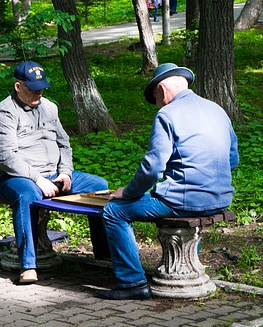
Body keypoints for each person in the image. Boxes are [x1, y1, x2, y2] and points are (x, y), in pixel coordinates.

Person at [95, 63, 240, 300]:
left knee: (113, 211)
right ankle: (186, 268)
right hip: (221, 199)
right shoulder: (217, 110)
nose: (158, 104)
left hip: (183, 201)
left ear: (161, 90)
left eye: (155, 98)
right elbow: (232, 159)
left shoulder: (167, 114)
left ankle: (132, 283)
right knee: (170, 202)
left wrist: (128, 193)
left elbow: (152, 169)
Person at [0, 60, 110, 284]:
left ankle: (104, 253)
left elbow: (64, 143)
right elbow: (4, 157)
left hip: (54, 174)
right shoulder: (4, 113)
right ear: (18, 86)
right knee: (26, 196)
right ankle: (28, 266)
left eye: (41, 87)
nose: (39, 92)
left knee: (99, 186)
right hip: (16, 177)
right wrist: (38, 179)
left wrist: (66, 173)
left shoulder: (49, 107)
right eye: (33, 88)